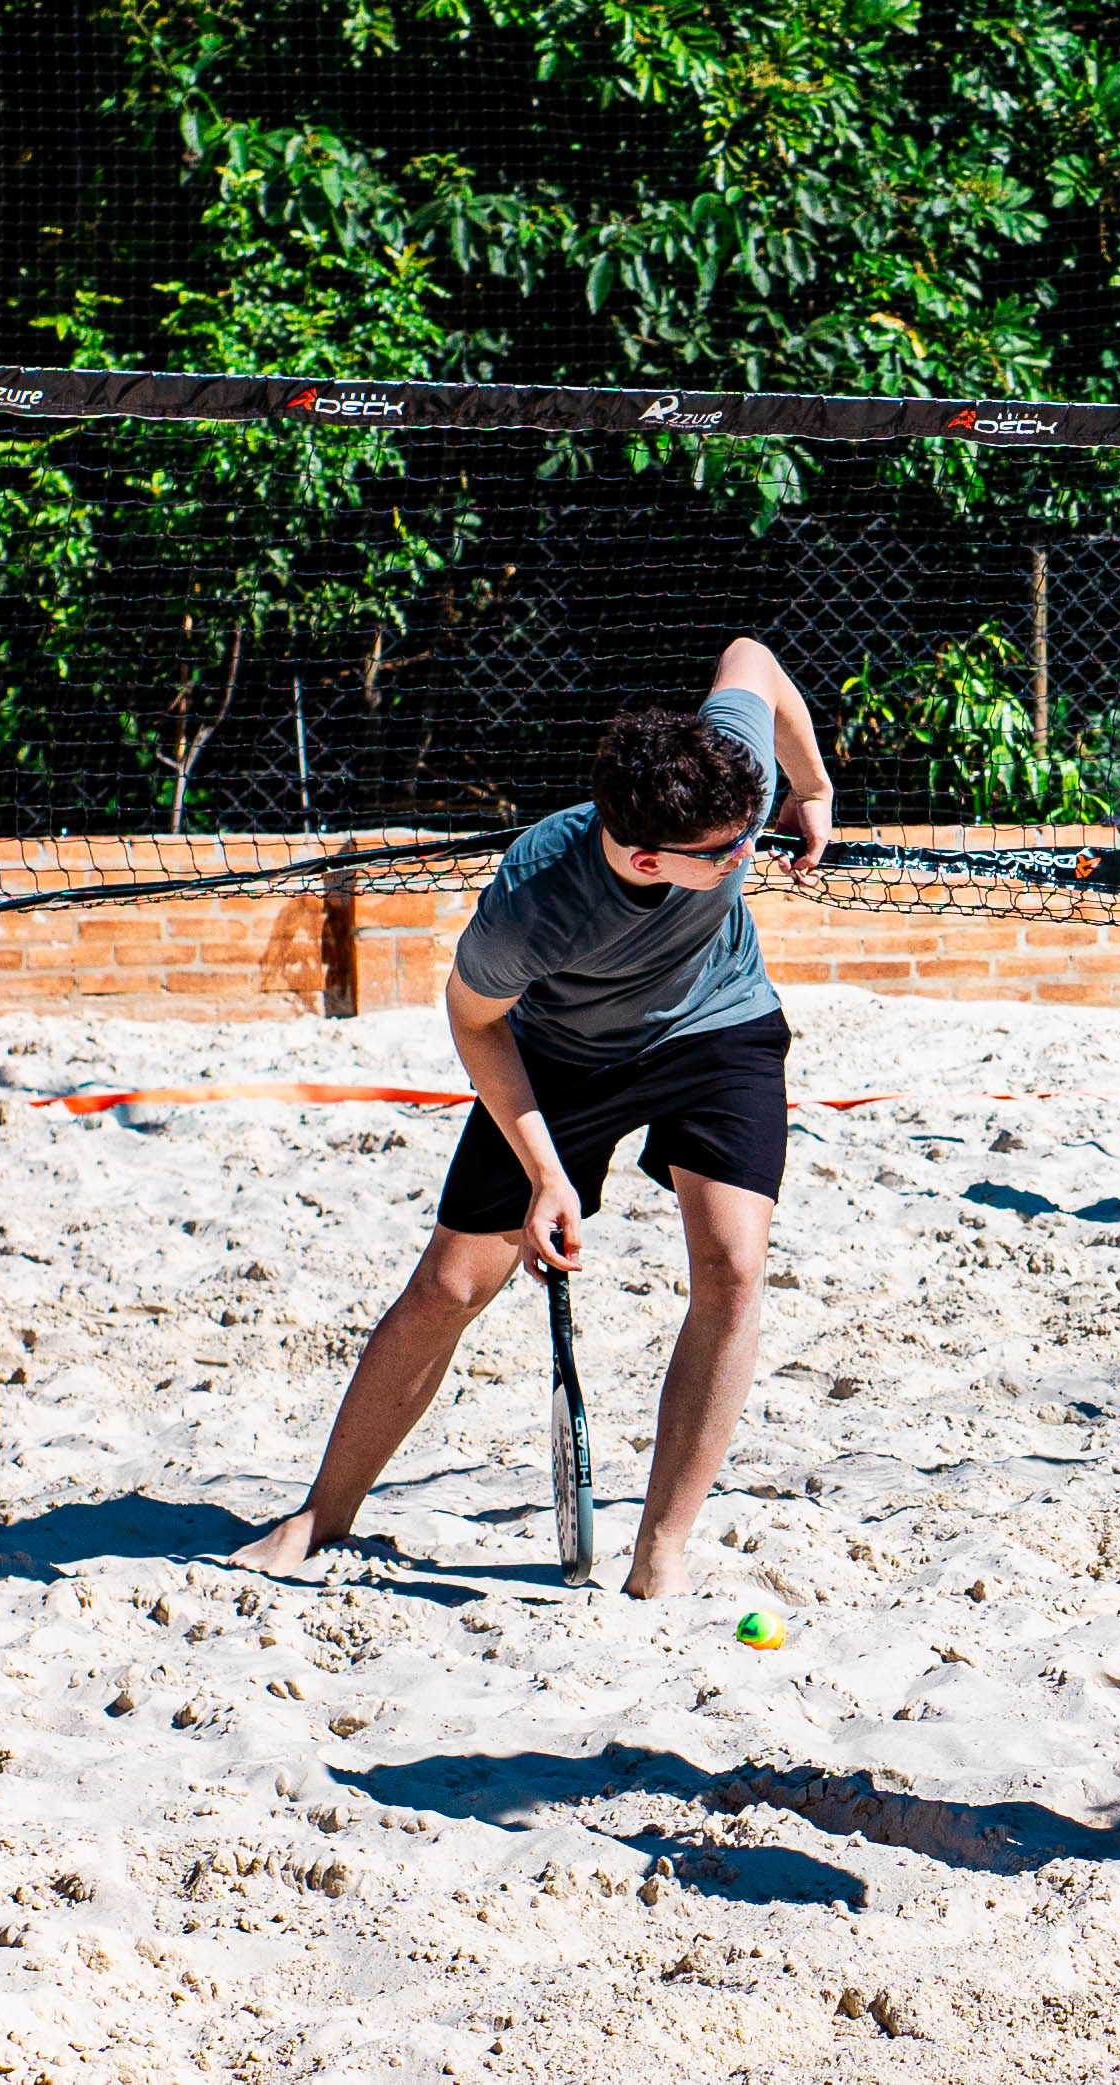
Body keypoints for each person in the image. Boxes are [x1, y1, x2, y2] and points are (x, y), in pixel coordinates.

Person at [232, 636, 837, 1599]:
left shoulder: (725, 781)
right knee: (451, 1285)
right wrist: (548, 1170)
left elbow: (750, 661)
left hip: (717, 1025)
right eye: (729, 850)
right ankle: (320, 1515)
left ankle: (661, 1552)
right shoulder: (534, 901)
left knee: (734, 1264)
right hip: (561, 1058)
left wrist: (810, 788)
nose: (746, 852)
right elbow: (474, 1023)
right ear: (646, 856)